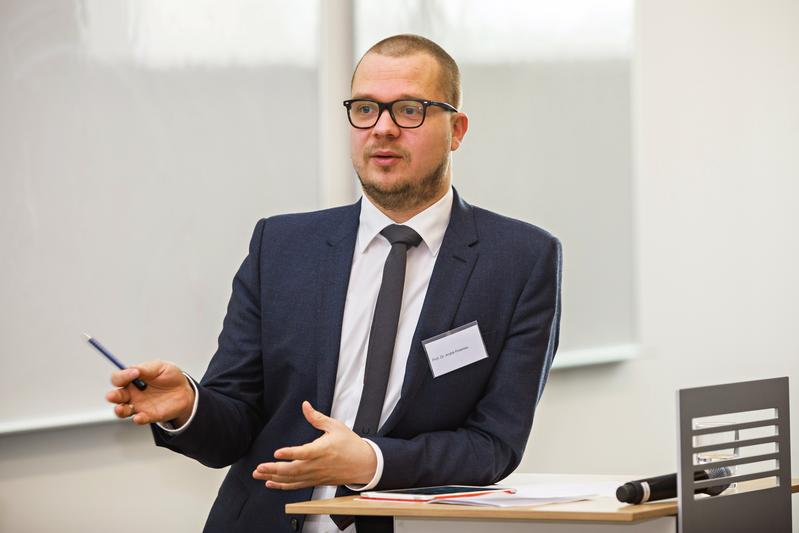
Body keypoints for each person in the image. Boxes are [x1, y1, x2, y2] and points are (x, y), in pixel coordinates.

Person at [106, 34, 562, 533]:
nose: (383, 129)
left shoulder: (520, 260)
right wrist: (190, 406)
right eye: (365, 109)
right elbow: (234, 427)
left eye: (409, 110)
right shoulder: (280, 245)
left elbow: (494, 444)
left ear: (456, 130)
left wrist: (370, 461)